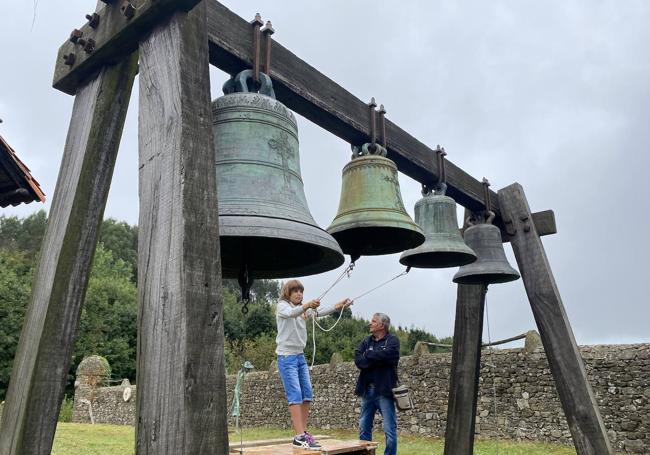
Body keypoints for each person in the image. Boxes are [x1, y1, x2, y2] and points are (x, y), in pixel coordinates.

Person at [276, 279, 352, 450]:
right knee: (295, 394)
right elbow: (291, 313)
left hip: (300, 356)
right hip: (286, 357)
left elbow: (320, 312)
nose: (299, 294)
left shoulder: (303, 310)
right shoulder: (282, 306)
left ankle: (303, 433)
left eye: (301, 291)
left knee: (307, 393)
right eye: (295, 291)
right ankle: (299, 436)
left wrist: (339, 306)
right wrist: (307, 305)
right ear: (288, 293)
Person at [354, 312, 400, 455]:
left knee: (389, 430)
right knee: (363, 428)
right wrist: (378, 357)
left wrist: (369, 355)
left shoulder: (393, 340)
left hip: (385, 392)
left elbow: (391, 357)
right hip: (367, 391)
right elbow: (359, 361)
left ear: (382, 325)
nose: (370, 323)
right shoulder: (366, 341)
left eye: (373, 321)